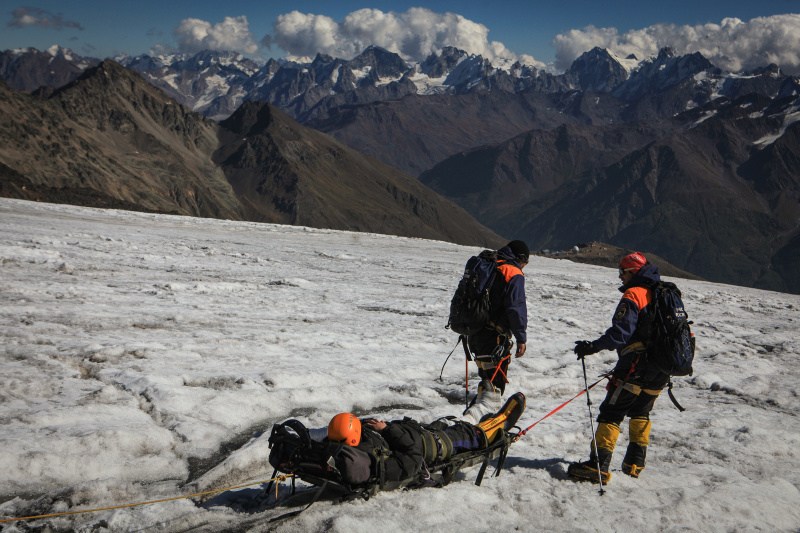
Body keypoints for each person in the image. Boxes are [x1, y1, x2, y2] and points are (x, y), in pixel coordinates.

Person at [568, 252, 669, 483]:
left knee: (612, 413)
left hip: (635, 367)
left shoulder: (635, 294)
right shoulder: (664, 294)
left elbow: (620, 333)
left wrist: (592, 346)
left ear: (633, 271)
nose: (620, 277)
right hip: (661, 370)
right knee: (641, 412)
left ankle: (598, 466)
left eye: (622, 272)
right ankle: (635, 463)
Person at [327, 390, 526, 484]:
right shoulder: (373, 461)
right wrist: (387, 430)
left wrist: (379, 427)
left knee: (453, 423)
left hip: (422, 432)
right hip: (434, 445)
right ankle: (500, 422)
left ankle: (482, 407)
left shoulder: (351, 445)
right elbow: (412, 459)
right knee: (471, 435)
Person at [467, 240, 529, 397]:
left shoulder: (488, 265)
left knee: (486, 378)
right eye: (524, 263)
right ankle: (488, 416)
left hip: (475, 332)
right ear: (519, 258)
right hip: (495, 337)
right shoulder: (512, 272)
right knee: (495, 384)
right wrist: (521, 338)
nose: (523, 267)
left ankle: (481, 414)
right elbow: (516, 307)